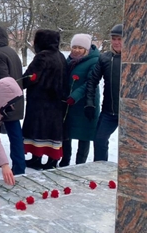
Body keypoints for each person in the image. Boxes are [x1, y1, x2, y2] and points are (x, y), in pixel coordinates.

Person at [22, 29, 68, 170]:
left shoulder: (42, 57)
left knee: (38, 131)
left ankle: (37, 158)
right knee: (51, 133)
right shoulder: (60, 56)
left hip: (40, 102)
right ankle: (51, 160)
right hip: (56, 102)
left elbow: (29, 77)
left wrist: (21, 83)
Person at [60, 34, 100, 167]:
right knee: (67, 132)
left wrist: (75, 96)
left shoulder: (94, 61)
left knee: (84, 134)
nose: (76, 50)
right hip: (70, 103)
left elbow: (90, 82)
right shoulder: (69, 60)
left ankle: (80, 164)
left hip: (86, 103)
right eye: (74, 47)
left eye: (80, 48)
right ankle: (65, 160)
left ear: (87, 49)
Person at [0, 25, 26, 175]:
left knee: (5, 133)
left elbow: (2, 78)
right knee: (15, 133)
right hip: (16, 98)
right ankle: (19, 164)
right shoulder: (11, 52)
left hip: (7, 101)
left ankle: (17, 167)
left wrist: (1, 102)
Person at [85, 24, 122, 162]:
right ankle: (100, 169)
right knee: (99, 140)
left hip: (131, 112)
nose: (117, 42)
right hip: (110, 111)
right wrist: (89, 103)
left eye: (120, 39)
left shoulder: (137, 59)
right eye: (114, 39)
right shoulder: (105, 58)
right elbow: (92, 81)